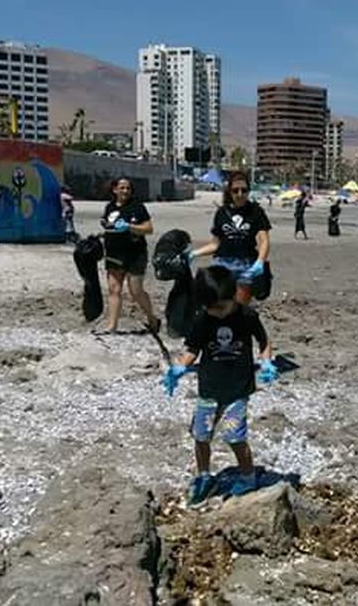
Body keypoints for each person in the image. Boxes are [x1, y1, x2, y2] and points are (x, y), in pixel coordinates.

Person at [163, 265, 279, 505]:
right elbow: (192, 348)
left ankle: (248, 477)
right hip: (209, 388)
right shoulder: (203, 319)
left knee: (235, 436)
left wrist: (266, 362)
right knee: (201, 435)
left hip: (238, 388)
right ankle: (204, 475)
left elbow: (264, 340)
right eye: (211, 308)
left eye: (221, 307)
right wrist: (179, 367)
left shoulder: (247, 316)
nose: (217, 313)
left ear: (234, 295)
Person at [189, 171, 271, 305]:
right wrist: (194, 253)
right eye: (235, 190)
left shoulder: (256, 211)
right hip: (222, 265)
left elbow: (264, 240)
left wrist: (260, 262)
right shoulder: (222, 213)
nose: (240, 194)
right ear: (230, 191)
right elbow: (215, 244)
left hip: (246, 265)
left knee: (239, 309)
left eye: (244, 190)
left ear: (249, 191)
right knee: (219, 306)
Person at [99, 177, 160, 334]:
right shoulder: (110, 207)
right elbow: (108, 226)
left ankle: (152, 318)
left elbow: (148, 228)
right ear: (115, 190)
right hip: (113, 253)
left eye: (128, 188)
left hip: (135, 253)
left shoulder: (137, 207)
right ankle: (112, 325)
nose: (125, 191)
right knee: (114, 289)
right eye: (122, 188)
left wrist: (130, 227)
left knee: (136, 291)